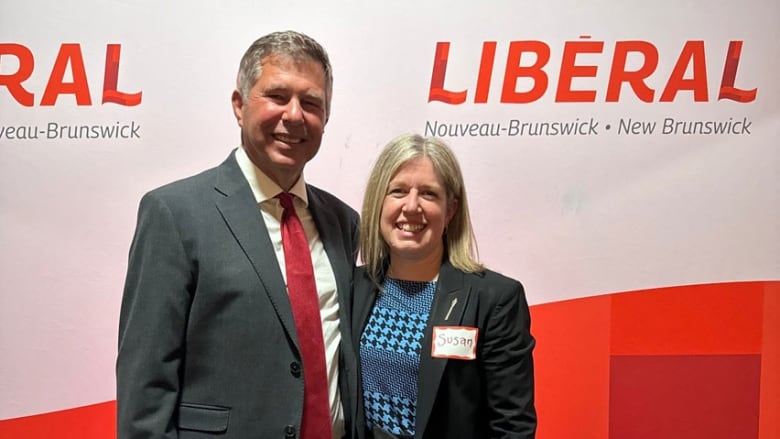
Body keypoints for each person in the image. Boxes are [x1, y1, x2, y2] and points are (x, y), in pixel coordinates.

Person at [117, 31, 359, 439]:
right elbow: (146, 382)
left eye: (312, 103)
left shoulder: (342, 222)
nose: (295, 115)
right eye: (278, 97)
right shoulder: (175, 213)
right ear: (239, 105)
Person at [351, 134, 537, 439]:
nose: (412, 206)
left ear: (450, 210)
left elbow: (512, 427)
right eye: (397, 191)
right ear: (378, 203)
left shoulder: (494, 299)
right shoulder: (352, 288)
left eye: (428, 194)